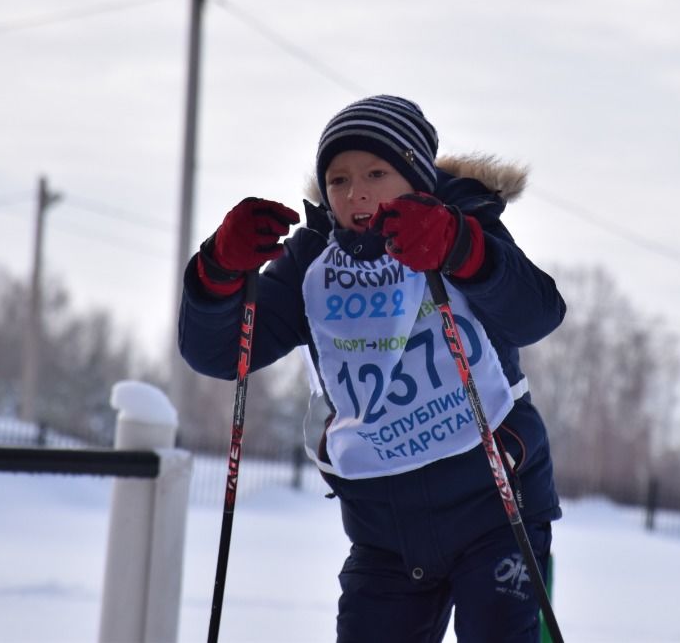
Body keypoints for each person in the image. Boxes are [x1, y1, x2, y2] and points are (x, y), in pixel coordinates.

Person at [179, 94, 567, 642]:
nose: (355, 191)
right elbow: (221, 354)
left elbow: (537, 315)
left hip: (498, 509)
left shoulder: (463, 226)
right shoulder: (314, 262)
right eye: (337, 179)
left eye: (376, 173)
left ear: (416, 177)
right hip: (386, 533)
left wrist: (463, 250)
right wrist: (219, 268)